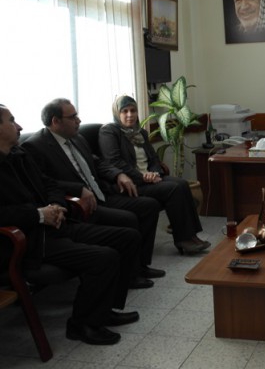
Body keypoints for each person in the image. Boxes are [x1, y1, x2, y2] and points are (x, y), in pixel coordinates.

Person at [0, 104, 141, 345]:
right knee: (104, 258)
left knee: (127, 237)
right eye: (12, 121)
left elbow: (49, 184)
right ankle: (82, 325)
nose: (19, 126)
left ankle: (103, 310)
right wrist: (39, 215)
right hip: (26, 242)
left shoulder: (19, 155)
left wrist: (56, 206)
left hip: (53, 226)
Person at [21, 98, 162, 288]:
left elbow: (98, 163)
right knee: (127, 219)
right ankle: (130, 275)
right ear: (55, 121)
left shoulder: (77, 138)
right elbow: (44, 182)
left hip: (101, 193)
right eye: (73, 117)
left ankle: (140, 266)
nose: (78, 120)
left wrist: (118, 174)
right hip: (80, 204)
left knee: (149, 206)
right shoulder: (35, 146)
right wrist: (78, 189)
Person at [98, 95, 210, 255]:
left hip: (149, 178)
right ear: (117, 113)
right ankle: (183, 239)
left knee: (182, 184)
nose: (130, 115)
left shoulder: (141, 133)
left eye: (133, 110)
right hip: (131, 183)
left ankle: (191, 236)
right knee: (173, 189)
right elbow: (115, 162)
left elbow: (154, 158)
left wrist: (154, 173)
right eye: (125, 111)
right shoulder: (109, 132)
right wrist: (142, 176)